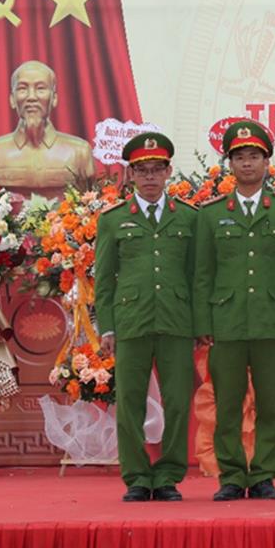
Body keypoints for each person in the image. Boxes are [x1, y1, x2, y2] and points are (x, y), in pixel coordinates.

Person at [192, 120, 275, 501]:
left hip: (273, 321)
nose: (247, 164)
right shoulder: (210, 214)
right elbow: (202, 274)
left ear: (267, 162)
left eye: (254, 156)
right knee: (228, 404)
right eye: (240, 157)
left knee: (272, 402)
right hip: (227, 322)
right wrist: (203, 323)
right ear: (230, 164)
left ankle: (265, 474)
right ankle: (233, 475)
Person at [94, 132, 197, 502]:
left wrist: (199, 325)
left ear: (169, 171)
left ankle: (168, 475)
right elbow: (103, 280)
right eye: (142, 170)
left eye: (157, 169)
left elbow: (197, 276)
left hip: (177, 321)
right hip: (131, 321)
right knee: (130, 403)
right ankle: (137, 476)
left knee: (179, 402)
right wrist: (106, 325)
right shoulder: (113, 220)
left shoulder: (188, 216)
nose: (150, 177)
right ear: (130, 175)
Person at [0, 60, 95, 198]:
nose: (31, 97)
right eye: (22, 89)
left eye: (40, 88)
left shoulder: (80, 151)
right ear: (12, 99)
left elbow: (89, 199)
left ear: (54, 98)